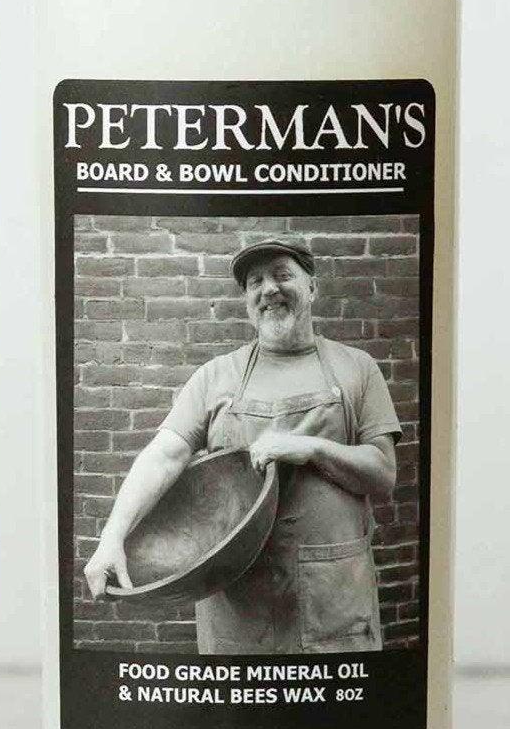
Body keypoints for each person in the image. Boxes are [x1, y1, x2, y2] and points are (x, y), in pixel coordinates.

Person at [83, 236, 400, 654]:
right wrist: (112, 537)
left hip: (333, 601)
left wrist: (312, 448)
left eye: (283, 276)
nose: (269, 289)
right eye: (255, 282)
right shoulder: (215, 376)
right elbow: (163, 456)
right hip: (240, 613)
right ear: (248, 300)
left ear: (312, 287)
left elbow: (383, 474)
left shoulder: (357, 368)